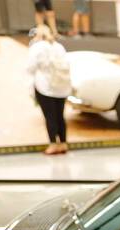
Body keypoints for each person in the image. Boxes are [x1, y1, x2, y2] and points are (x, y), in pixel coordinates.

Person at [27, 24, 71, 155]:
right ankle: (63, 143)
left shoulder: (37, 47)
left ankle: (53, 144)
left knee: (50, 116)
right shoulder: (59, 46)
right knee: (60, 116)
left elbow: (30, 67)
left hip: (45, 87)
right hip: (62, 87)